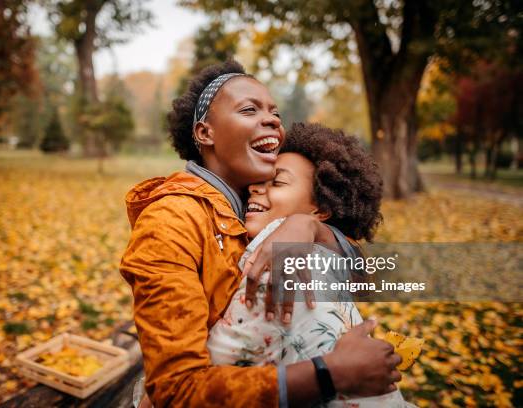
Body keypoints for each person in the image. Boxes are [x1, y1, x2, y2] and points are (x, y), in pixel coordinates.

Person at [119, 60, 401, 407]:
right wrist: (330, 374)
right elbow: (176, 391)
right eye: (249, 109)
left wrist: (311, 228)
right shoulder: (170, 221)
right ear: (205, 133)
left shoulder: (254, 202)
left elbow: (359, 273)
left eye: (275, 112)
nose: (271, 120)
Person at [207, 123, 411, 407]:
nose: (253, 187)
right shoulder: (323, 259)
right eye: (258, 179)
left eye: (276, 183)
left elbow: (217, 359)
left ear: (320, 210)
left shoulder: (280, 266)